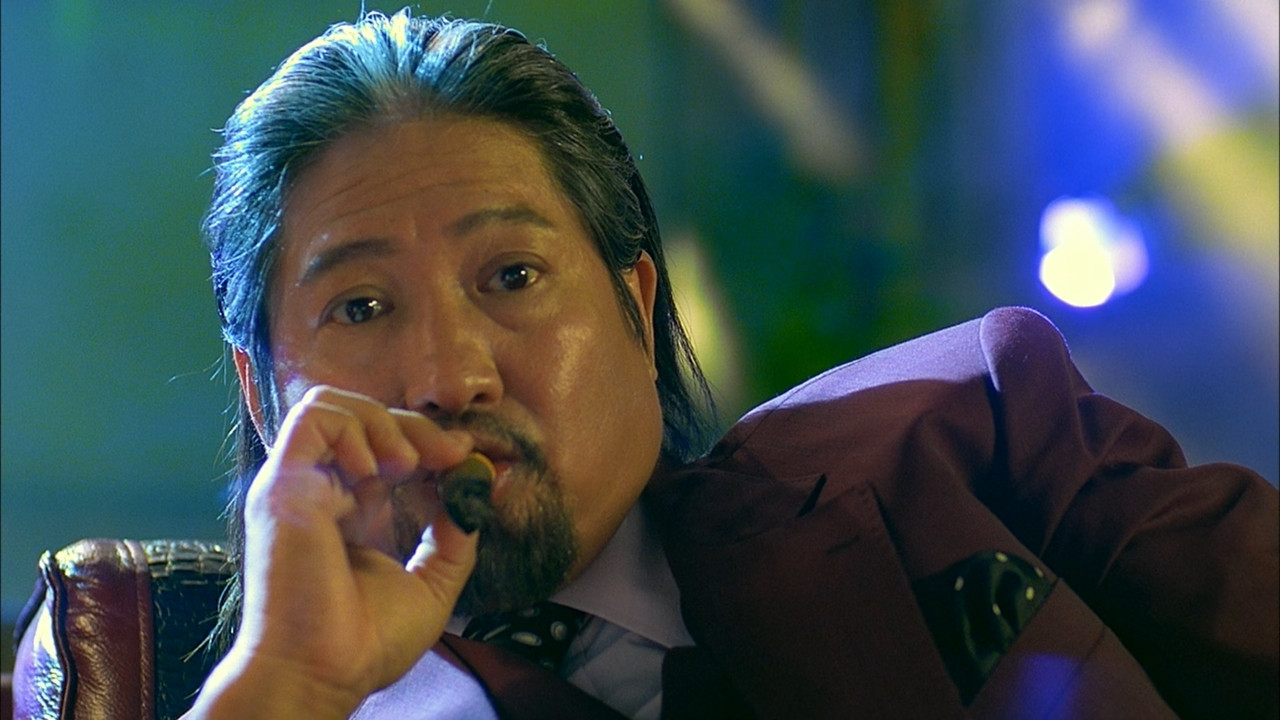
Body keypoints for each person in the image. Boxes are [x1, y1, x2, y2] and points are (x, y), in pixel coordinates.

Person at [183, 10, 1278, 719]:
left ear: (635, 303)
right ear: (263, 393)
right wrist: (289, 686)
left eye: (511, 275)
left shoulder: (963, 435)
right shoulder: (254, 694)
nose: (447, 375)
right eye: (361, 306)